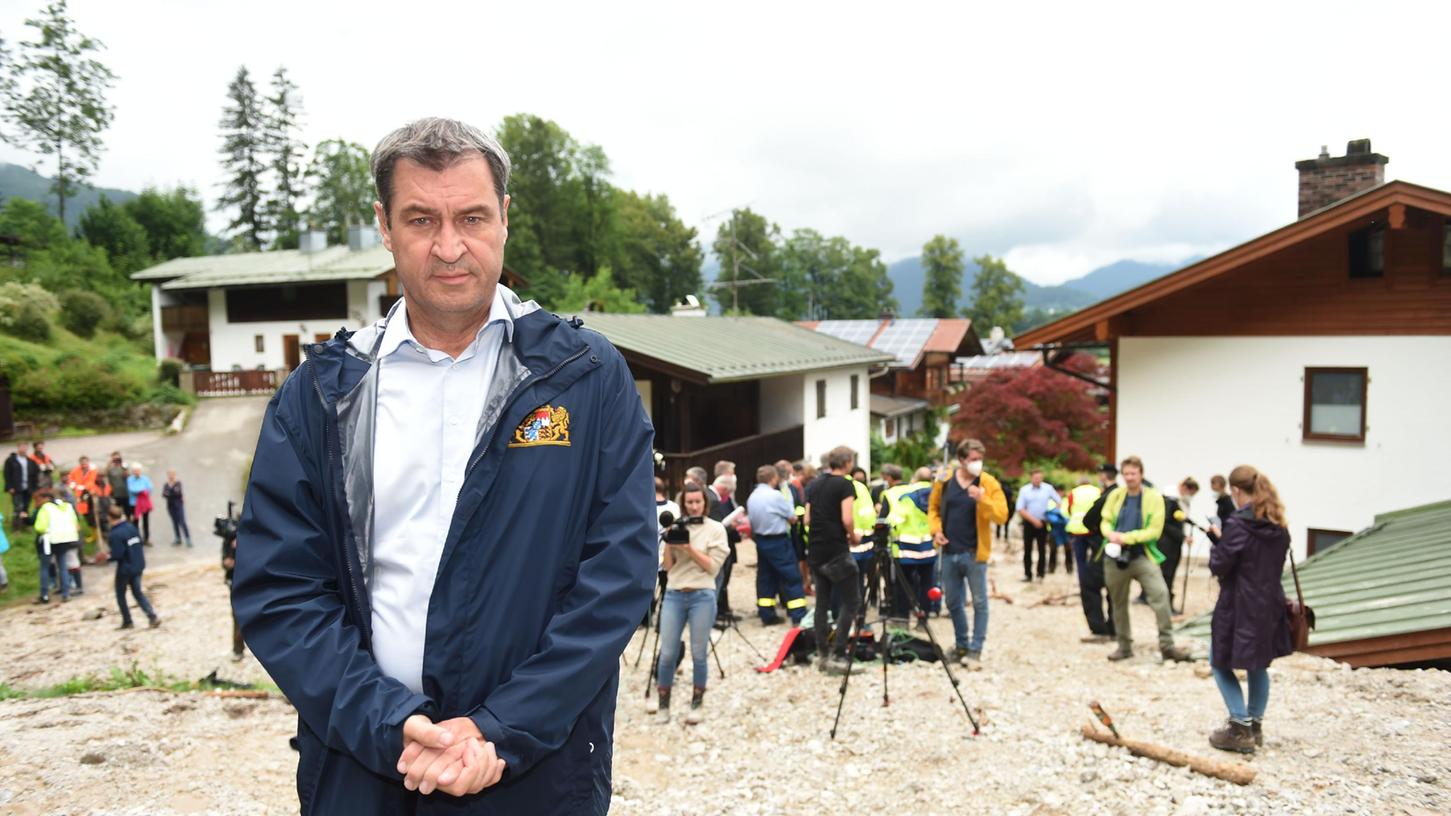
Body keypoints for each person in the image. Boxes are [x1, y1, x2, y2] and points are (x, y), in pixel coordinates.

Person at [231, 117, 656, 813]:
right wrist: (387, 725)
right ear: (385, 225)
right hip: (361, 769)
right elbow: (281, 590)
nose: (450, 246)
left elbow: (616, 578)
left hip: (533, 771)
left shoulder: (584, 377)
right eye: (421, 219)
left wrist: (499, 729)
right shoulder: (323, 393)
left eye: (472, 217)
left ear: (505, 219)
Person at [1207, 465, 1292, 754]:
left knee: (1219, 662)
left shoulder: (1239, 525)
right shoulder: (1278, 524)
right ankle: (1255, 725)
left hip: (1239, 604)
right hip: (1270, 604)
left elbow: (1221, 564)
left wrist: (1216, 542)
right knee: (1258, 664)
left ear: (1236, 491)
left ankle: (1240, 727)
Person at [1099, 456, 1191, 662]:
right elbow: (1105, 520)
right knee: (1118, 602)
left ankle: (1167, 645)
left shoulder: (1153, 498)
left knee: (1160, 595)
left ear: (1141, 474)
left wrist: (1126, 538)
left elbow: (1154, 531)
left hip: (1142, 555)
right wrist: (1110, 534)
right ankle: (1124, 645)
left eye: (1133, 473)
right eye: (1126, 474)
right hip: (1115, 556)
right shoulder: (1115, 496)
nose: (1130, 477)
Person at [928, 439, 1009, 665]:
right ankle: (961, 644)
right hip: (948, 551)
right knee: (953, 602)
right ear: (961, 460)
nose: (977, 463)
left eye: (980, 459)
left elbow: (1002, 515)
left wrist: (982, 499)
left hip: (974, 552)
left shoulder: (988, 482)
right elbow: (933, 509)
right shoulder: (944, 480)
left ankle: (976, 649)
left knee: (980, 602)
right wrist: (936, 531)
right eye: (973, 459)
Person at [655, 484, 729, 725]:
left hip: (702, 595)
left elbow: (712, 567)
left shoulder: (716, 529)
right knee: (667, 653)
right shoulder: (676, 526)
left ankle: (696, 703)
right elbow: (667, 568)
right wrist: (669, 541)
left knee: (699, 654)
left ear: (705, 503)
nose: (694, 506)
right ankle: (663, 704)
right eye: (690, 502)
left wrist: (688, 547)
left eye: (698, 502)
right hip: (675, 593)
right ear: (683, 503)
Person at [805, 446, 861, 676]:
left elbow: (807, 519)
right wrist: (854, 535)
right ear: (847, 462)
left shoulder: (813, 484)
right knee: (852, 601)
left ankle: (822, 653)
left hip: (816, 550)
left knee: (822, 603)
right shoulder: (845, 484)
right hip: (836, 548)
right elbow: (847, 517)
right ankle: (840, 654)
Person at [747, 464, 806, 626]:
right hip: (778, 540)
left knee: (765, 578)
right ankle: (798, 615)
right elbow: (792, 517)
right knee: (791, 576)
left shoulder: (752, 497)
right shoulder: (775, 496)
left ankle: (766, 614)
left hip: (761, 540)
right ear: (773, 478)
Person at [884, 466, 936, 615]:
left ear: (915, 478)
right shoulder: (937, 495)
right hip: (929, 548)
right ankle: (924, 615)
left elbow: (896, 519)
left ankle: (903, 616)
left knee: (904, 585)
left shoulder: (908, 496)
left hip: (907, 549)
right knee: (927, 583)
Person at [1065, 472, 1111, 640]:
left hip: (1077, 530)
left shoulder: (1073, 492)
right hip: (1093, 531)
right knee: (1095, 559)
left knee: (1082, 563)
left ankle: (1083, 579)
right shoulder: (1097, 491)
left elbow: (1068, 509)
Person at [107, 504, 160, 629]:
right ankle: (152, 615)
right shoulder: (131, 527)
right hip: (138, 564)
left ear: (110, 518)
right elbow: (139, 543)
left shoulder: (115, 534)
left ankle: (127, 620)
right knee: (138, 592)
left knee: (121, 594)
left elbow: (117, 554)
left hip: (125, 568)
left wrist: (107, 557)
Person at [33, 488, 81, 603]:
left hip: (49, 540)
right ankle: (66, 593)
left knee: (45, 567)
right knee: (63, 566)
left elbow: (40, 527)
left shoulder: (46, 508)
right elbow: (75, 522)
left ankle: (44, 594)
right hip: (65, 540)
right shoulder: (67, 507)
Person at [707, 472, 743, 623]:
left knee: (721, 581)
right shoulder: (712, 499)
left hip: (721, 544)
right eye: (727, 492)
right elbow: (716, 526)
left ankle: (721, 610)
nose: (727, 496)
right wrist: (731, 527)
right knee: (718, 581)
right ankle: (715, 614)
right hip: (717, 546)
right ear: (723, 488)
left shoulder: (710, 495)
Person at [1015, 468, 1060, 582]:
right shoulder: (1025, 490)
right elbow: (1020, 508)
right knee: (1027, 549)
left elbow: (1059, 501)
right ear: (1031, 478)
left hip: (1043, 522)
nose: (1037, 480)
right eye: (1035, 478)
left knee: (1042, 549)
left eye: (1039, 478)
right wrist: (1033, 520)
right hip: (1029, 523)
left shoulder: (1048, 488)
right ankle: (1028, 574)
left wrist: (1052, 514)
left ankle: (1040, 574)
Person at [4, 442, 39, 530]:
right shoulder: (11, 461)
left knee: (26, 507)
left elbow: (35, 474)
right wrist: (10, 486)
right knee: (18, 507)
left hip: (28, 488)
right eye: (22, 447)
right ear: (18, 447)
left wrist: (35, 487)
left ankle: (25, 524)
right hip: (16, 488)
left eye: (25, 447)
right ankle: (16, 527)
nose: (24, 449)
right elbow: (7, 474)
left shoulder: (30, 461)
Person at [162, 469, 192, 548]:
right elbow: (164, 494)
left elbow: (177, 493)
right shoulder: (166, 484)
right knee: (174, 522)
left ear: (175, 475)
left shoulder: (178, 483)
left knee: (182, 522)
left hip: (178, 506)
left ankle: (188, 538)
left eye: (172, 474)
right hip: (170, 506)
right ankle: (178, 538)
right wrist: (171, 493)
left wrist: (169, 493)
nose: (171, 476)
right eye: (169, 474)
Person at [127, 463, 155, 545]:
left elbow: (150, 488)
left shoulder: (145, 479)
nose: (136, 472)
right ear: (132, 471)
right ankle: (136, 538)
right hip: (134, 503)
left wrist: (140, 490)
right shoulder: (130, 479)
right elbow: (132, 490)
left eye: (138, 471)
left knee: (145, 521)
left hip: (144, 503)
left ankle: (146, 538)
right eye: (135, 471)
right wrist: (142, 490)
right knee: (135, 521)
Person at [105, 452, 130, 520]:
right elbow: (104, 474)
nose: (116, 460)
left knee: (128, 513)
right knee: (116, 514)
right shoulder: (110, 469)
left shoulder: (124, 467)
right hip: (115, 494)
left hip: (125, 494)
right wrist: (109, 463)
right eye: (114, 459)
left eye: (118, 458)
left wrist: (123, 467)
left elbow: (128, 476)